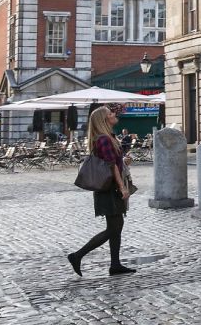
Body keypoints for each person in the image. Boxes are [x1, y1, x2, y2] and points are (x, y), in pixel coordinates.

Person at [67, 106, 136, 277]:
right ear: (104, 119)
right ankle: (77, 256)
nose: (114, 114)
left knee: (116, 227)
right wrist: (122, 187)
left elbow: (113, 162)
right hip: (109, 188)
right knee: (113, 228)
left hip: (110, 187)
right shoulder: (103, 139)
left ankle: (115, 264)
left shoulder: (108, 138)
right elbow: (111, 166)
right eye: (110, 113)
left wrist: (124, 161)